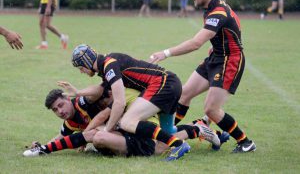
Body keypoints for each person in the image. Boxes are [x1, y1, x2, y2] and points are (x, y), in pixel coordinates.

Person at [149, 0, 256, 153]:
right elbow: (232, 29)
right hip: (216, 57)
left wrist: (165, 53)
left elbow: (196, 43)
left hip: (229, 61)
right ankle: (167, 134)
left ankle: (246, 142)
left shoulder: (218, 11)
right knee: (183, 95)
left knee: (211, 109)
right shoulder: (212, 7)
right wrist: (218, 46)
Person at [70, 44, 221, 161]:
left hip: (163, 84)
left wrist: (107, 130)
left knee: (127, 122)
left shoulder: (109, 65)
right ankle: (200, 130)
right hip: (170, 83)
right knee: (166, 136)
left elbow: (119, 102)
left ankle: (178, 145)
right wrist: (78, 93)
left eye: (80, 68)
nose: (81, 72)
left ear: (85, 63)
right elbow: (100, 89)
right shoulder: (108, 65)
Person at [23, 87, 158, 157]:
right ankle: (42, 150)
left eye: (61, 105)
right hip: (122, 136)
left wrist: (78, 92)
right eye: (55, 110)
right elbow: (60, 137)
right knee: (95, 135)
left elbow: (98, 91)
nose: (60, 111)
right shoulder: (70, 122)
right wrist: (42, 145)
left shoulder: (82, 102)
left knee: (94, 134)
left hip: (134, 128)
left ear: (68, 99)